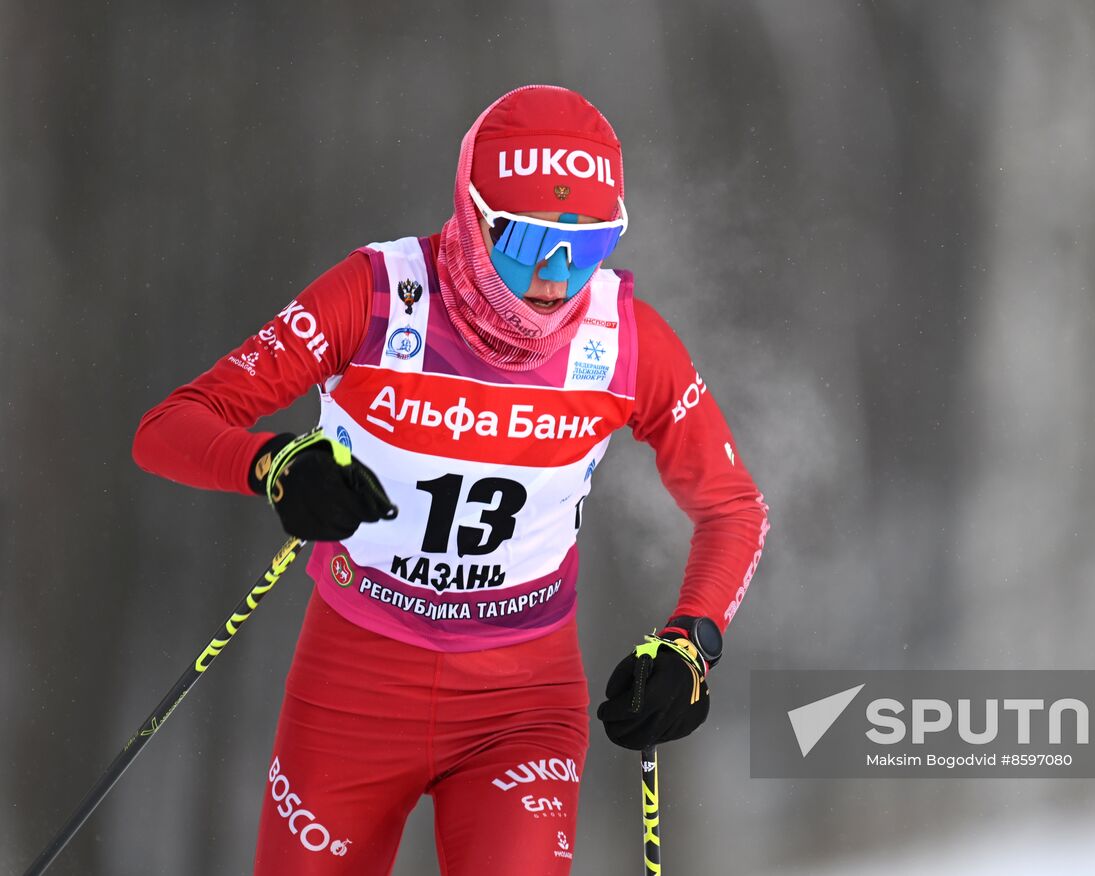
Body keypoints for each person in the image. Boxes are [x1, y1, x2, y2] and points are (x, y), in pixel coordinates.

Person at [131, 84, 769, 875]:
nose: (555, 277)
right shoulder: (375, 299)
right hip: (353, 690)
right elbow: (169, 428)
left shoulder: (626, 342)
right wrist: (274, 465)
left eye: (590, 244)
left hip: (522, 704)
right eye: (527, 242)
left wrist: (691, 646)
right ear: (471, 219)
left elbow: (733, 508)